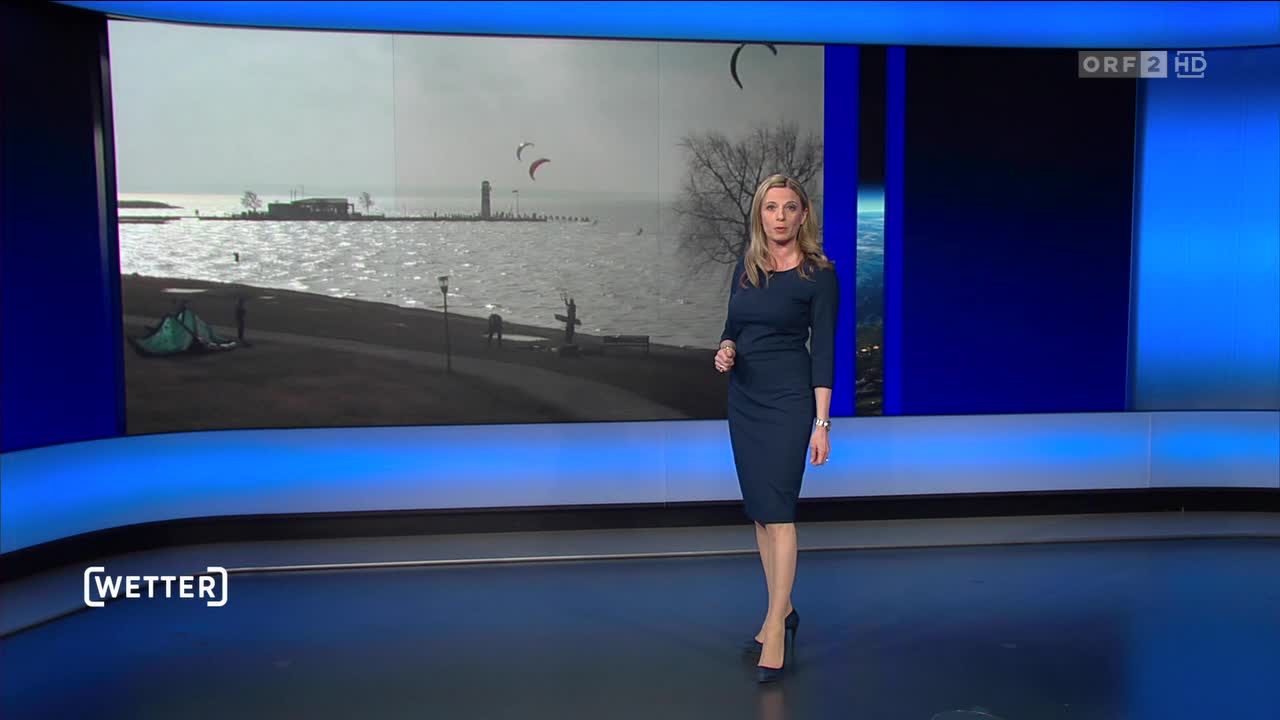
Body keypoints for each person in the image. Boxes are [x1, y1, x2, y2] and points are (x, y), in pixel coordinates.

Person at [714, 174, 838, 683]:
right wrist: (725, 350)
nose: (780, 217)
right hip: (744, 399)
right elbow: (733, 329)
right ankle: (782, 610)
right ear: (759, 215)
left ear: (803, 214)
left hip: (789, 402)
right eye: (771, 208)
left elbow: (823, 351)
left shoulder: (819, 274)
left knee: (781, 512)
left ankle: (775, 629)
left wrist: (822, 423)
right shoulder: (746, 269)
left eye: (789, 207)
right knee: (762, 515)